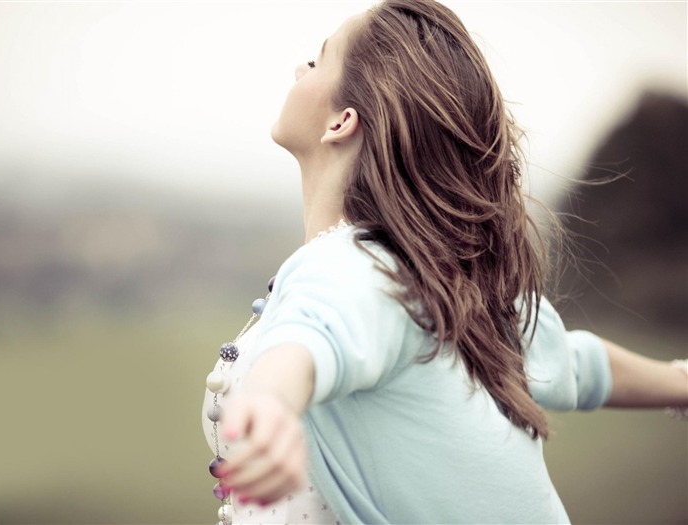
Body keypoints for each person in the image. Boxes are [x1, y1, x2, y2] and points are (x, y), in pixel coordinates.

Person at [201, 1, 688, 523]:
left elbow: (313, 335)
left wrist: (272, 402)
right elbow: (575, 362)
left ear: (343, 121)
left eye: (319, 61)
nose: (301, 66)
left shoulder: (349, 266)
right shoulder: (442, 282)